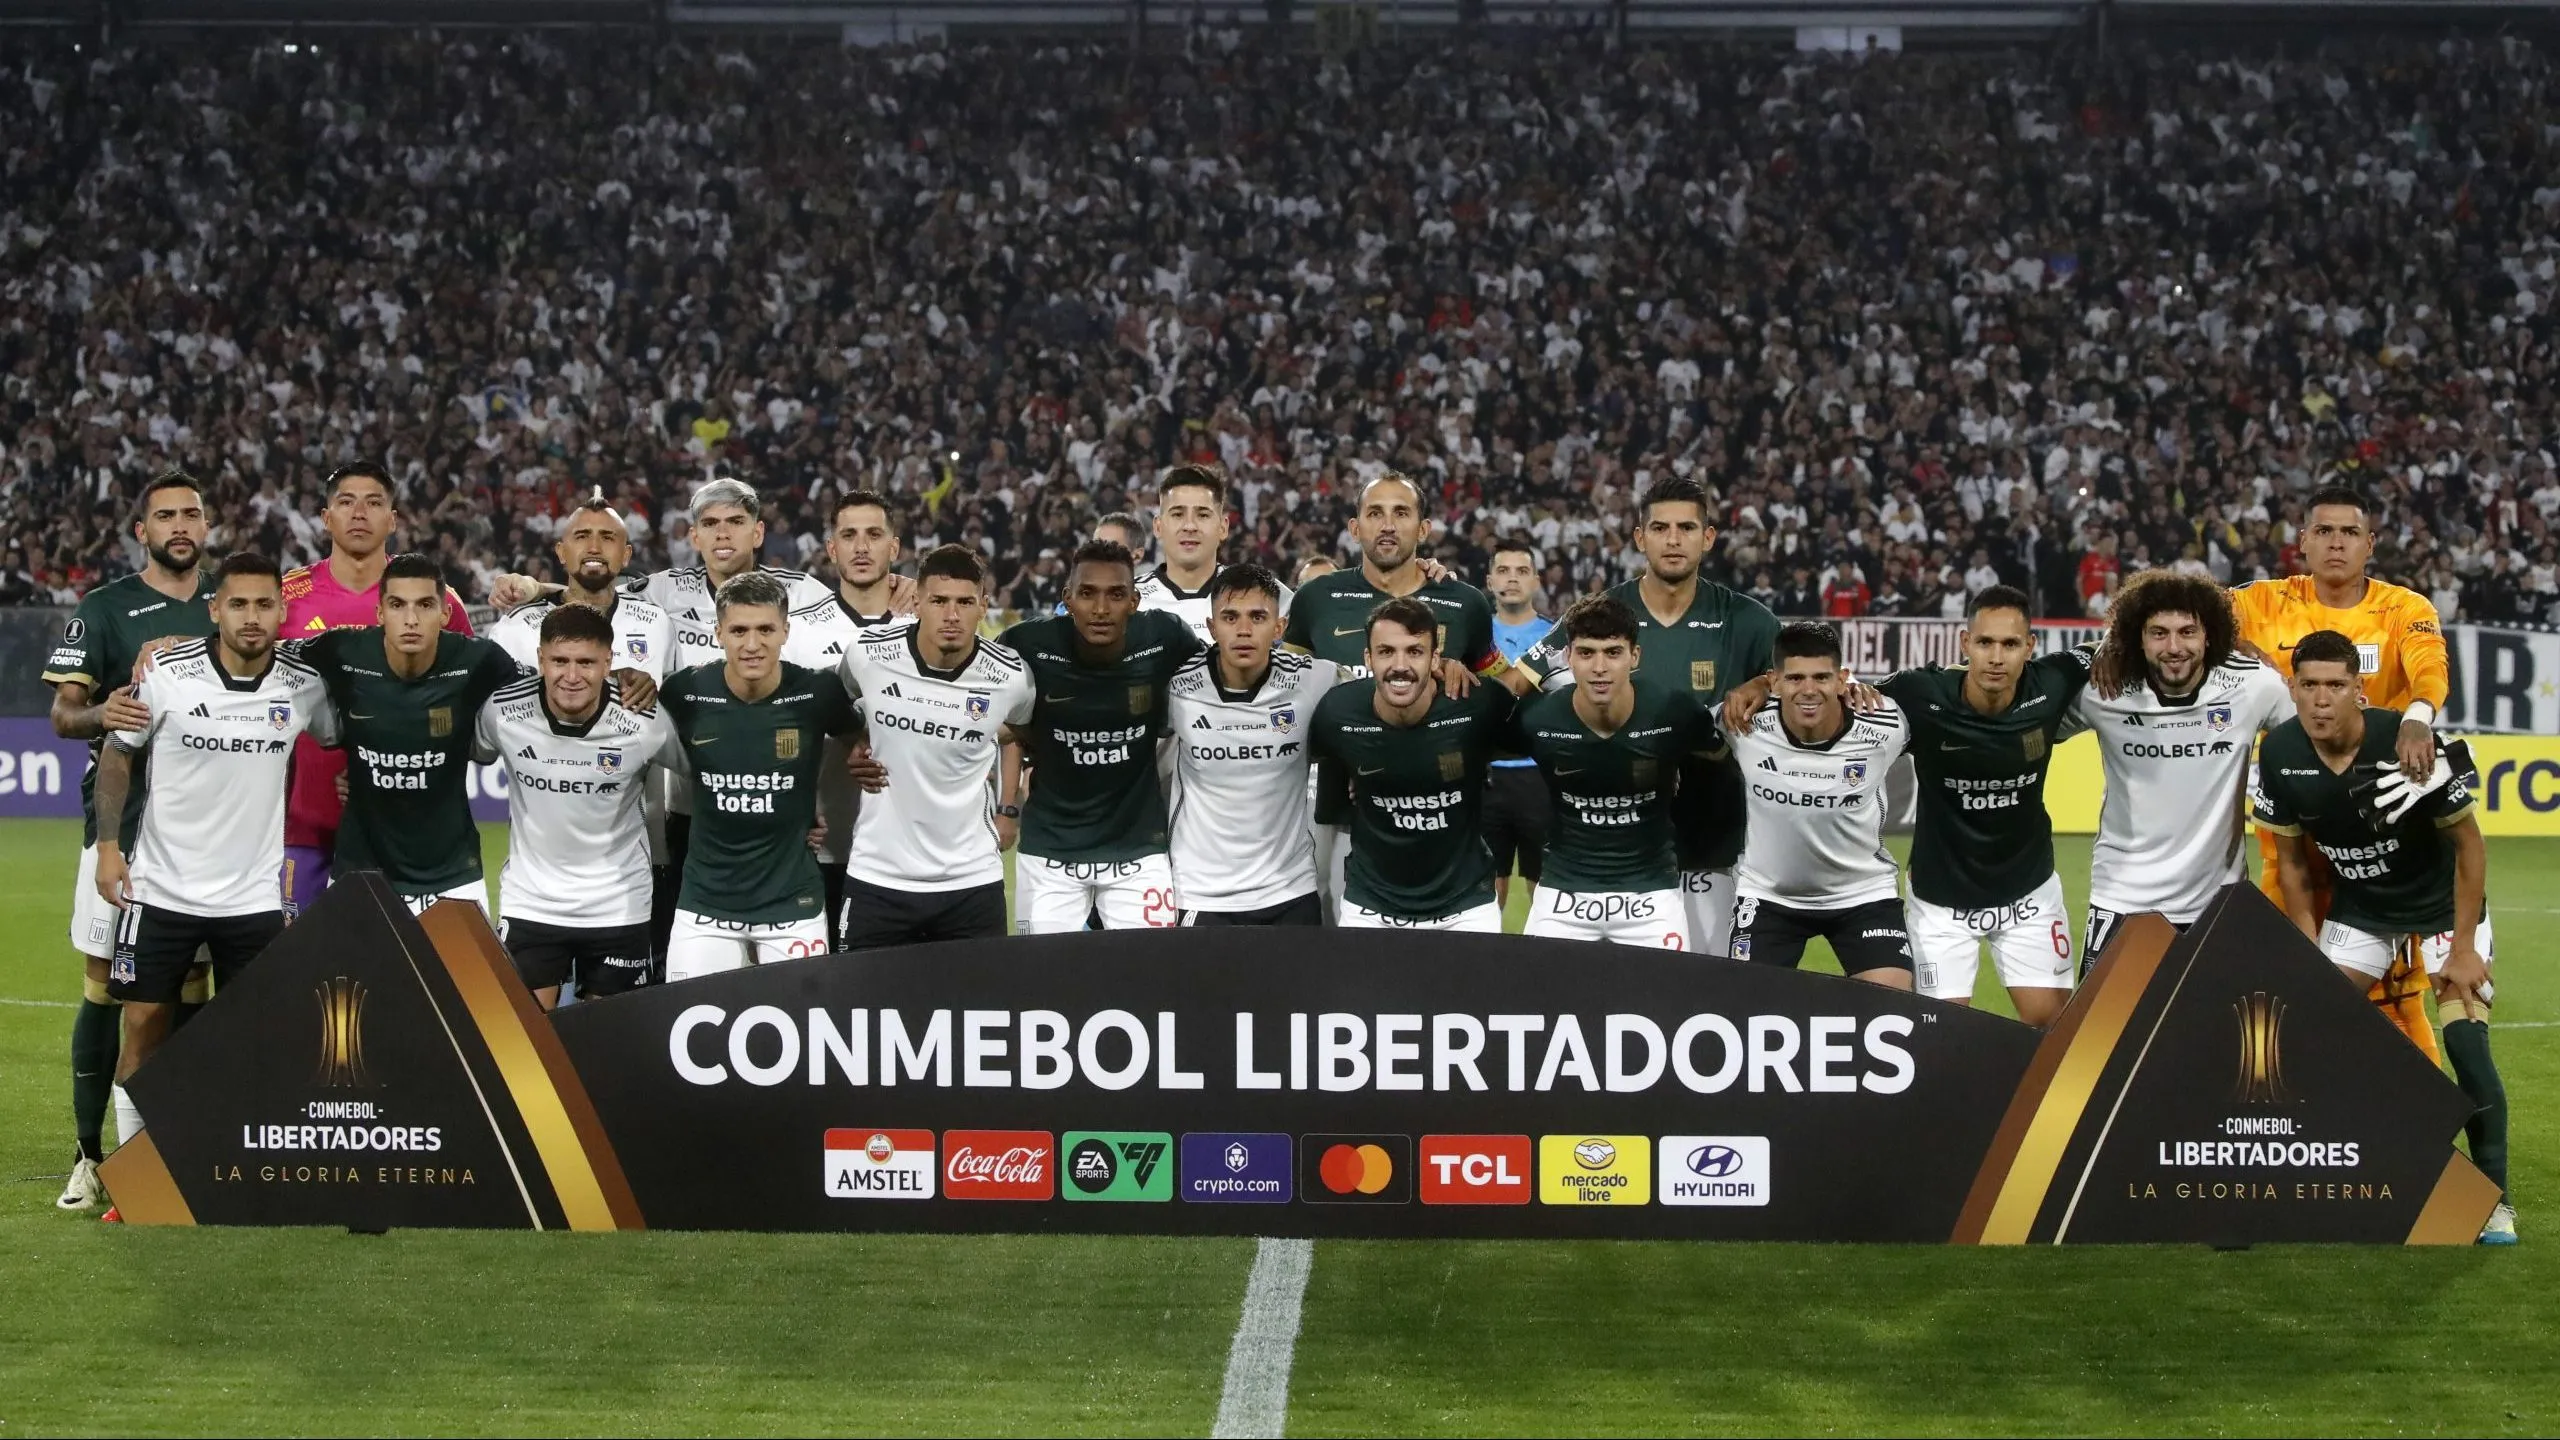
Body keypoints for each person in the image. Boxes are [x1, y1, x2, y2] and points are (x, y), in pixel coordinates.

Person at [2252, 628, 2513, 1245]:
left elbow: (2469, 846)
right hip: (2364, 911)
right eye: (2308, 685)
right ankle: (2375, 1157)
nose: (2320, 700)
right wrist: (2306, 949)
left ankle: (2493, 1199)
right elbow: (2290, 863)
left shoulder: (2407, 743)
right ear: (2292, 689)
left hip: (2446, 912)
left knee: (2467, 1045)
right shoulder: (2280, 752)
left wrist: (2468, 947)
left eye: (2335, 686)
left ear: (2358, 692)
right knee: (2307, 1032)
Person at [86, 553, 332, 1180]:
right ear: (215, 609)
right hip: (160, 887)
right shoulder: (166, 671)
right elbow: (118, 755)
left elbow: (341, 736)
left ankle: (234, 1167)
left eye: (265, 604)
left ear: (283, 611)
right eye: (239, 604)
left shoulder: (303, 684)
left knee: (256, 1033)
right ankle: (132, 1176)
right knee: (143, 1024)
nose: (252, 617)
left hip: (252, 898)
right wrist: (110, 847)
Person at [1735, 585, 2086, 1023]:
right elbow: (1839, 700)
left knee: (2054, 1026)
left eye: (2010, 644)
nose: (1997, 657)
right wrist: (1759, 685)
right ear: (1965, 644)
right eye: (1985, 642)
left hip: (2028, 892)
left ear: (2030, 647)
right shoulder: (1920, 695)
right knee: (1936, 1035)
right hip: (1941, 902)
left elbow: (2113, 645)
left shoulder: (2054, 681)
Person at [39, 473, 219, 1210]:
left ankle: (186, 1145)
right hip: (121, 829)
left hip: (209, 835)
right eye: (165, 516)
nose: (180, 525)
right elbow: (62, 714)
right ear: (141, 530)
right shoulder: (105, 609)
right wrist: (102, 715)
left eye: (192, 514)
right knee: (107, 988)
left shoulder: (231, 607)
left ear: (207, 526)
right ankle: (90, 1156)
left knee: (192, 993)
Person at [2228, 486, 2454, 1058]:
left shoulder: (2405, 609)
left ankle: (2424, 1131)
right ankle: (2307, 1116)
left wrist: (2419, 718)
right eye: (2323, 531)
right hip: (2294, 819)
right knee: (2288, 979)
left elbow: (2430, 670)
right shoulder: (2259, 603)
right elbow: (2179, 616)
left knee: (2396, 997)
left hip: (2382, 833)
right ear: (2302, 541)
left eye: (2349, 532)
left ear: (2370, 544)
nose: (2335, 542)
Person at [1518, 476, 1778, 957]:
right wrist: (1456, 668)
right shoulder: (1601, 616)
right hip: (1609, 858)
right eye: (1660, 528)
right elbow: (1514, 682)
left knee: (1694, 999)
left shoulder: (1749, 620)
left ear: (1708, 537)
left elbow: (1803, 683)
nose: (1673, 540)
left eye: (1686, 527)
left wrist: (1764, 682)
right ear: (1640, 538)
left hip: (1712, 846)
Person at [1284, 474, 1508, 921]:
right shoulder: (1316, 599)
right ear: (1355, 528)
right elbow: (1288, 688)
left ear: (1423, 530)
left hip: (1439, 816)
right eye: (1375, 513)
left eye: (1401, 513)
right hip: (1337, 807)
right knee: (1332, 941)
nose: (1387, 525)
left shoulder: (1465, 602)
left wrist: (1461, 672)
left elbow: (1499, 693)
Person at [279, 465, 476, 918]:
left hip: (404, 832)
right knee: (299, 972)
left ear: (393, 519)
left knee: (400, 974)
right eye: (346, 502)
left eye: (374, 502)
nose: (359, 513)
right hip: (305, 823)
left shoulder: (433, 602)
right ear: (326, 519)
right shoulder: (287, 598)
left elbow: (466, 699)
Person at [290, 554, 527, 914]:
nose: (411, 619)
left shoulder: (480, 661)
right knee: (351, 974)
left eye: (425, 605)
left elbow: (557, 685)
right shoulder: (342, 651)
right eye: (398, 605)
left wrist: (620, 676)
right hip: (359, 875)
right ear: (380, 612)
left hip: (455, 879)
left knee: (466, 974)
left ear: (446, 614)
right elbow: (265, 656)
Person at [2075, 571, 2289, 964]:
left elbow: (2315, 737)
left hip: (2218, 908)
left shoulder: (2255, 687)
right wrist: (2104, 645)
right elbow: (2025, 729)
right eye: (2158, 633)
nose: (2174, 647)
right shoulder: (2102, 690)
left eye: (2188, 632)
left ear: (2209, 635)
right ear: (2137, 638)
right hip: (2123, 901)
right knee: (2105, 1028)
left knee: (2221, 1028)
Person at [655, 571, 859, 977]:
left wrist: (814, 809)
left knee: (802, 1035)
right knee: (693, 1030)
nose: (752, 644)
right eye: (739, 630)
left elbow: (855, 741)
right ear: (718, 633)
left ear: (785, 630)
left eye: (766, 629)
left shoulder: (818, 692)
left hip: (793, 904)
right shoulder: (685, 692)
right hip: (704, 906)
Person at [475, 604, 678, 1010]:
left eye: (586, 662)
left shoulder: (644, 720)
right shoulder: (501, 712)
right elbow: (461, 756)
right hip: (531, 903)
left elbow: (704, 774)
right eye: (559, 661)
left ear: (609, 662)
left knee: (606, 1045)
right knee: (525, 1045)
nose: (571, 676)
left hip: (619, 906)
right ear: (540, 660)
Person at [835, 545, 1036, 948]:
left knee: (979, 1010)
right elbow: (842, 708)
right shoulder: (869, 655)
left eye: (965, 602)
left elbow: (1016, 732)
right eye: (939, 601)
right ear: (919, 603)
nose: (951, 615)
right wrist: (856, 742)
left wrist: (1008, 807)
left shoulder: (1011, 676)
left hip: (971, 881)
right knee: (860, 1006)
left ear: (983, 606)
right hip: (879, 875)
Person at [1000, 539, 1204, 932]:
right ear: (1067, 599)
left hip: (1139, 850)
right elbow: (975, 697)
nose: (1100, 609)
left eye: (1115, 595)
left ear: (1134, 601)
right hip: (1050, 854)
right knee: (1042, 987)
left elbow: (1216, 683)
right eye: (1087, 593)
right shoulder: (1028, 644)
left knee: (1150, 983)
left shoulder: (1165, 638)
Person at [1507, 595, 1718, 947]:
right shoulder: (1537, 719)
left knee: (1665, 1002)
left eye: (1613, 652)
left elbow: (1719, 754)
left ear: (1635, 657)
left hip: (1652, 897)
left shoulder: (1674, 712)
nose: (1599, 667)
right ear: (1568, 658)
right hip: (1563, 894)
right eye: (1587, 653)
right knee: (1542, 1000)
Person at [1721, 621, 1915, 990]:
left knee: (1893, 1012)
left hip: (1862, 894)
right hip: (1769, 896)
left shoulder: (1886, 724)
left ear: (1843, 679)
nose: (1809, 691)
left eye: (1822, 678)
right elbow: (1681, 734)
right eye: (1794, 679)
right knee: (1745, 1013)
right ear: (1774, 682)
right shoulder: (1742, 721)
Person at [1307, 597, 1516, 932]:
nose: (1400, 665)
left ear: (1436, 659)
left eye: (1415, 652)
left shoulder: (1478, 701)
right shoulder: (1338, 712)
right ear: (1368, 658)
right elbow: (1319, 762)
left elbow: (1540, 742)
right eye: (1386, 651)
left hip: (1465, 909)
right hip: (1370, 908)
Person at [1167, 564, 1339, 926]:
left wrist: (1445, 667)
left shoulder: (1315, 679)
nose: (1243, 630)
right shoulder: (1175, 687)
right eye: (1230, 617)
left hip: (1290, 892)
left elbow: (1385, 693)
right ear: (1212, 628)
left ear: (1279, 627)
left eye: (1258, 616)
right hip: (1201, 894)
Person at [781, 490, 907, 949]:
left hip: (906, 854)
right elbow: (778, 727)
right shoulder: (796, 632)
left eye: (874, 535)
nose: (861, 547)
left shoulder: (922, 632)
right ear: (831, 548)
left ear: (894, 548)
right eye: (848, 535)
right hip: (822, 847)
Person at [485, 491, 676, 685]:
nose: (594, 547)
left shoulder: (657, 624)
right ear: (561, 553)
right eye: (581, 536)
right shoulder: (515, 629)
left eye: (607, 537)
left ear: (626, 555)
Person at [1137, 464, 1294, 641]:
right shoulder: (1130, 599)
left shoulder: (1269, 595)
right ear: (1158, 527)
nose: (1190, 526)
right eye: (1177, 514)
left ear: (1223, 527)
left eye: (1203, 515)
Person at [1483, 539, 1554, 914]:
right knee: (1484, 886)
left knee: (1543, 887)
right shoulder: (1472, 635)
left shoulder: (1558, 637)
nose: (1512, 579)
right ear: (1490, 579)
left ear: (1536, 581)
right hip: (1485, 773)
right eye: (1504, 571)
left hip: (1539, 774)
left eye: (1522, 571)